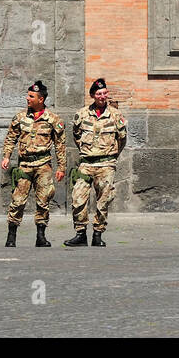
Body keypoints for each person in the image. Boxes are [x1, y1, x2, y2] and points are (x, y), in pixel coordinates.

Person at [0, 80, 66, 247]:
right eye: (28, 95)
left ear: (41, 99)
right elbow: (10, 138)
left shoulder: (53, 119)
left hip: (43, 165)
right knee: (17, 201)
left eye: (31, 96)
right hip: (24, 165)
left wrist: (62, 167)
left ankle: (40, 236)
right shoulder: (20, 117)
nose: (27, 98)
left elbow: (60, 145)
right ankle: (11, 236)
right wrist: (6, 156)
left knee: (43, 201)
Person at [64, 78, 127, 248]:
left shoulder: (115, 114)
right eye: (99, 93)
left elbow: (122, 138)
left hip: (106, 164)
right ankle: (80, 234)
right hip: (86, 163)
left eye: (105, 93)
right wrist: (87, 152)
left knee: (103, 201)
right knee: (78, 198)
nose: (102, 96)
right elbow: (76, 135)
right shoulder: (82, 113)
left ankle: (98, 234)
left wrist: (111, 156)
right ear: (93, 95)